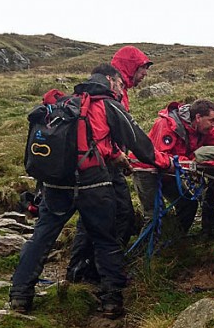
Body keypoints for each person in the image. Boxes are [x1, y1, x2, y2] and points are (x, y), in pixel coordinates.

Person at [11, 65, 151, 318]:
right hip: (93, 183)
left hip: (55, 184)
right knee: (105, 239)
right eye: (120, 83)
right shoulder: (106, 105)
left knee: (41, 238)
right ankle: (111, 300)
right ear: (110, 79)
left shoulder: (66, 104)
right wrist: (157, 161)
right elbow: (138, 142)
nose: (121, 88)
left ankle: (20, 295)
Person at [65, 45, 152, 283]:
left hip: (98, 161)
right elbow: (112, 131)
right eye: (143, 68)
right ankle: (103, 274)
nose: (145, 74)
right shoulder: (113, 92)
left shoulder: (110, 90)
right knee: (121, 214)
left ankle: (80, 270)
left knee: (90, 218)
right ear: (130, 66)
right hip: (103, 164)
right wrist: (123, 155)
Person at [133, 99, 214, 233]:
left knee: (188, 204)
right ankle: (145, 251)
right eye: (211, 120)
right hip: (147, 170)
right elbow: (161, 156)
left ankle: (176, 240)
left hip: (171, 172)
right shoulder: (168, 125)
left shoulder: (204, 130)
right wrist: (193, 162)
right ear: (198, 117)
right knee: (155, 215)